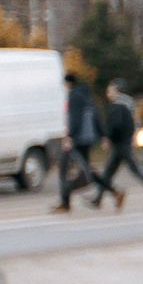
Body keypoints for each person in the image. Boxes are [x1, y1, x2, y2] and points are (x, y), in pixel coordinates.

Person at [54, 69, 118, 212]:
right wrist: (102, 135)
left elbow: (75, 117)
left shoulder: (74, 95)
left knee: (70, 168)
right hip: (87, 138)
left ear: (68, 83)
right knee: (80, 169)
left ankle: (65, 202)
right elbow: (95, 115)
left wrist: (69, 136)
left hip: (78, 139)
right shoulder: (86, 95)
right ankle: (65, 202)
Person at [97, 80, 143, 207]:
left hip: (121, 144)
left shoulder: (118, 105)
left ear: (116, 91)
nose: (108, 94)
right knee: (109, 171)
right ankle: (98, 197)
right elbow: (134, 121)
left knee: (134, 169)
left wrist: (108, 137)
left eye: (109, 91)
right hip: (124, 142)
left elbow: (116, 125)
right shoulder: (128, 102)